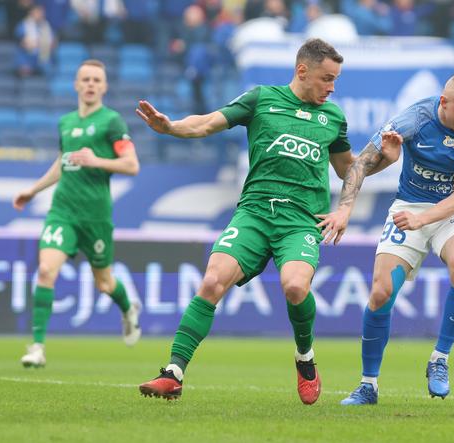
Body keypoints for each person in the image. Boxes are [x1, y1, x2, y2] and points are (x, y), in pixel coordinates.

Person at [135, 38, 388, 404]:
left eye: (336, 80)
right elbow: (207, 123)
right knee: (212, 280)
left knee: (295, 288)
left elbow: (349, 169)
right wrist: (171, 127)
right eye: (326, 78)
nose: (332, 87)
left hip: (301, 220)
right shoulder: (261, 99)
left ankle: (305, 358)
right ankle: (173, 373)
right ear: (303, 71)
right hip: (254, 212)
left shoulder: (332, 117)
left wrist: (382, 164)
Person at [317, 72, 454, 404]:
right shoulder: (412, 119)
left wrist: (422, 219)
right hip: (410, 203)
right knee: (381, 292)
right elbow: (359, 166)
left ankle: (439, 360)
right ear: (444, 103)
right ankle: (368, 385)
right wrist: (349, 204)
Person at [13, 59, 142, 368]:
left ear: (104, 86)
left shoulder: (112, 121)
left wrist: (97, 160)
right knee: (46, 271)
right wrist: (33, 190)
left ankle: (128, 309)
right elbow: (63, 162)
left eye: (97, 80)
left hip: (95, 216)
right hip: (63, 212)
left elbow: (132, 165)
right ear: (76, 84)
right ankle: (37, 347)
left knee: (105, 283)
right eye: (85, 79)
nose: (90, 84)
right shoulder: (66, 122)